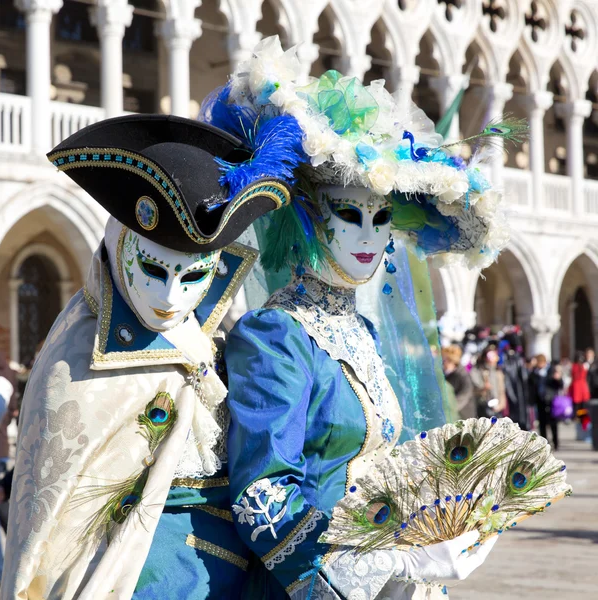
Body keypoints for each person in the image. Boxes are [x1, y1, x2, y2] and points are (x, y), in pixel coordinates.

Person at [204, 37, 514, 599]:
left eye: (380, 218)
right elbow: (263, 497)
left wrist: (433, 529)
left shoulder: (361, 333)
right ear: (306, 217)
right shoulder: (275, 336)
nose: (369, 235)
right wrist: (381, 562)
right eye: (349, 213)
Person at [1, 114, 296, 599]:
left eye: (194, 277)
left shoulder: (210, 338)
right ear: (120, 246)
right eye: (154, 269)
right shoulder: (76, 359)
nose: (171, 298)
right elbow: (48, 541)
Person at [529, 354, 562, 450]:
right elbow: (531, 386)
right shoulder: (534, 373)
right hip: (540, 400)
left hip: (551, 400)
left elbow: (559, 385)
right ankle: (545, 443)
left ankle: (556, 443)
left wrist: (558, 379)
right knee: (542, 423)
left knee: (553, 423)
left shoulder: (551, 370)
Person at [470, 345, 508, 419]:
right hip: (481, 407)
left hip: (497, 407)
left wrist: (501, 405)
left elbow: (501, 391)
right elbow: (473, 390)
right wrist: (483, 388)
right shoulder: (477, 371)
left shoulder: (498, 372)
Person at [442, 345, 475, 419]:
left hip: (463, 415)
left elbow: (464, 395)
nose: (443, 362)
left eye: (445, 360)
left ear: (451, 360)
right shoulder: (445, 373)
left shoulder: (462, 375)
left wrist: (449, 408)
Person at [569, 350, 591, 434]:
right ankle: (583, 425)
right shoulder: (582, 366)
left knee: (580, 408)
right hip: (581, 388)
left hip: (578, 388)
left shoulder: (575, 366)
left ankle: (582, 425)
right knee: (581, 409)